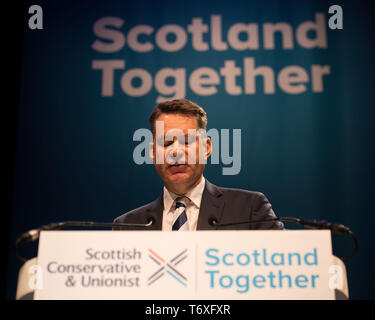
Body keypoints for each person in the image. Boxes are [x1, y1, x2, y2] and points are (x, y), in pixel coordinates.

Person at [113, 98, 283, 231]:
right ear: (152, 152)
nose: (176, 151)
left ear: (206, 147)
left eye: (186, 141)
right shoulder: (127, 226)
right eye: (166, 143)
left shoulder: (249, 209)